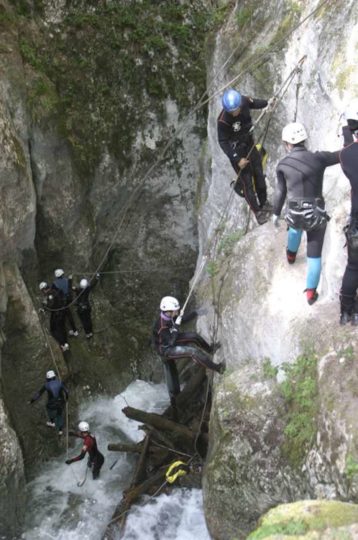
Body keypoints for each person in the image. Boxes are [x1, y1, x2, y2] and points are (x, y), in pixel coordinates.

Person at [272, 122, 340, 305]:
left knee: (294, 229)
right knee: (314, 254)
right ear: (305, 140)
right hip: (316, 211)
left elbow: (280, 192)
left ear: (287, 144)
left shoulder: (283, 165)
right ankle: (311, 294)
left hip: (295, 211)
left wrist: (275, 214)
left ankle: (291, 255)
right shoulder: (319, 158)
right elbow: (342, 155)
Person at [152, 296, 225, 407]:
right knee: (193, 352)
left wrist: (195, 313)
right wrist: (176, 325)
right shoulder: (161, 326)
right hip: (166, 349)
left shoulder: (169, 316)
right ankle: (218, 368)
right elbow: (172, 341)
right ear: (169, 311)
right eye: (175, 310)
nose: (177, 311)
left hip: (171, 339)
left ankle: (210, 349)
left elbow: (182, 319)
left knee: (193, 336)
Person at [217, 88, 273, 225]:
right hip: (237, 152)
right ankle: (258, 212)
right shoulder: (223, 121)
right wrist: (237, 159)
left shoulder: (242, 101)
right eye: (232, 111)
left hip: (249, 144)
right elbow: (223, 142)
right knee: (247, 183)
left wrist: (268, 103)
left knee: (259, 174)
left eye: (236, 109)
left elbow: (254, 103)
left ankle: (264, 202)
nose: (235, 112)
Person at [339, 100, 358, 324]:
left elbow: (347, 149)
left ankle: (347, 311)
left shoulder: (347, 156)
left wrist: (347, 130)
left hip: (357, 221)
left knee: (353, 267)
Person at [29, 370, 68, 435]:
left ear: (47, 378)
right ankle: (60, 430)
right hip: (61, 403)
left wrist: (31, 401)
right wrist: (66, 399)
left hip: (52, 405)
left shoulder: (46, 385)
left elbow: (39, 394)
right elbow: (67, 391)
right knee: (59, 414)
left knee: (48, 409)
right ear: (54, 377)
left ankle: (52, 422)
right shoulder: (59, 382)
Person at [39, 281, 70, 352]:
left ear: (44, 289)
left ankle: (63, 344)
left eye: (42, 291)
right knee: (61, 328)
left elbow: (52, 305)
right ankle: (65, 343)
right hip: (60, 312)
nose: (43, 292)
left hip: (58, 313)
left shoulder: (50, 294)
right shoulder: (53, 292)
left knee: (55, 330)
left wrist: (45, 306)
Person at [72, 274, 100, 338]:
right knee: (88, 320)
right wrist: (97, 278)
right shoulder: (87, 289)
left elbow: (73, 288)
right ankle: (90, 332)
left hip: (81, 309)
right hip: (87, 307)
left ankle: (88, 333)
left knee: (84, 321)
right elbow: (93, 284)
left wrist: (71, 283)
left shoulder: (78, 290)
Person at [53, 269, 78, 337]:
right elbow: (69, 287)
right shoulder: (67, 280)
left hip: (62, 302)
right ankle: (75, 330)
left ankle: (73, 331)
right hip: (68, 299)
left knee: (65, 316)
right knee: (69, 315)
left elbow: (54, 293)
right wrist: (70, 279)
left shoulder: (55, 283)